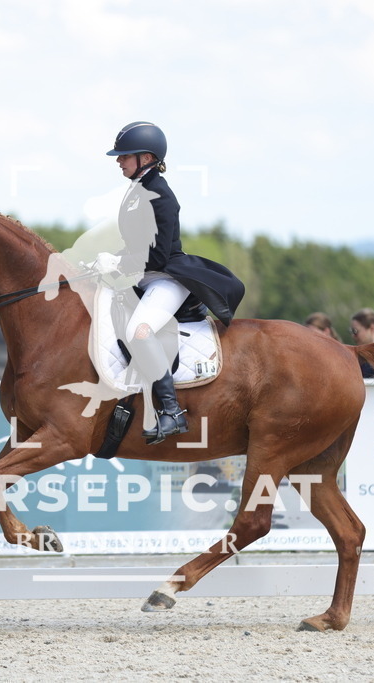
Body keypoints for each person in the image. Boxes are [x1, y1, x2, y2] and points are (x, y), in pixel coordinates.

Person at [91, 121, 245, 444]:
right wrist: (104, 260)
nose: (119, 161)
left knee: (139, 330)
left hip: (166, 279)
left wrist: (119, 263)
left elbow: (157, 256)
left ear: (146, 158)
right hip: (142, 278)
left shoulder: (161, 195)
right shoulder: (136, 193)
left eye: (124, 156)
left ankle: (173, 412)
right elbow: (134, 244)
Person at [350, 308, 374, 378]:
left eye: (355, 331)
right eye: (351, 331)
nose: (353, 336)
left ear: (372, 328)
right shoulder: (358, 356)